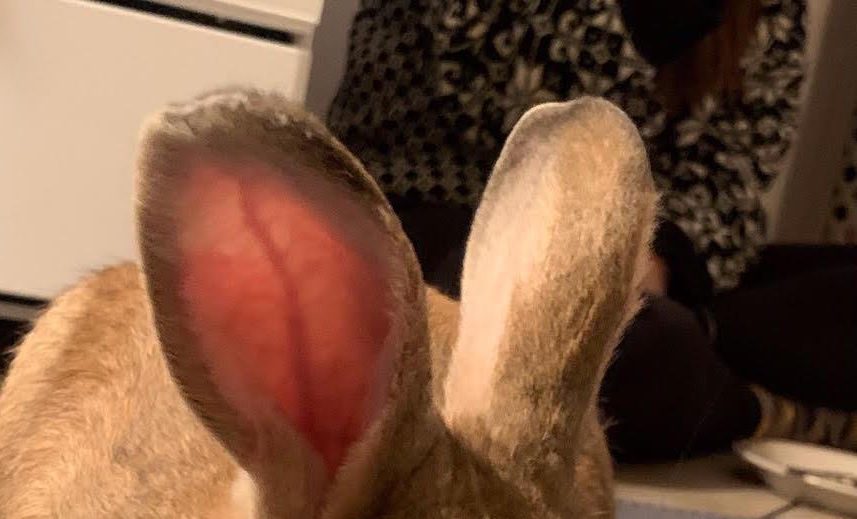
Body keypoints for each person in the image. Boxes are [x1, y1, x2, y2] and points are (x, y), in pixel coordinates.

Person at [329, 1, 857, 461]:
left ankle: (685, 341)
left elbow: (733, 177)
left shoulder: (770, 11)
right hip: (452, 212)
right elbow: (514, 107)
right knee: (549, 329)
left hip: (649, 250)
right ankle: (758, 407)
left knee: (610, 337)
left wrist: (653, 257)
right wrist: (605, 251)